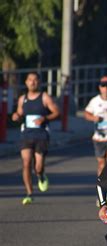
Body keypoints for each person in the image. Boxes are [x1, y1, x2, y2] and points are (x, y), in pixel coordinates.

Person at [11, 72, 60, 205]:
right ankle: (29, 193)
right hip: (26, 134)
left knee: (38, 166)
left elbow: (56, 112)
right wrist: (16, 116)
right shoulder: (23, 99)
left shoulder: (44, 97)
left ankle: (40, 175)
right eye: (30, 80)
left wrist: (45, 118)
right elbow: (19, 113)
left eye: (35, 80)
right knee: (26, 163)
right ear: (26, 82)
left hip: (41, 135)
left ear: (39, 82)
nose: (32, 82)